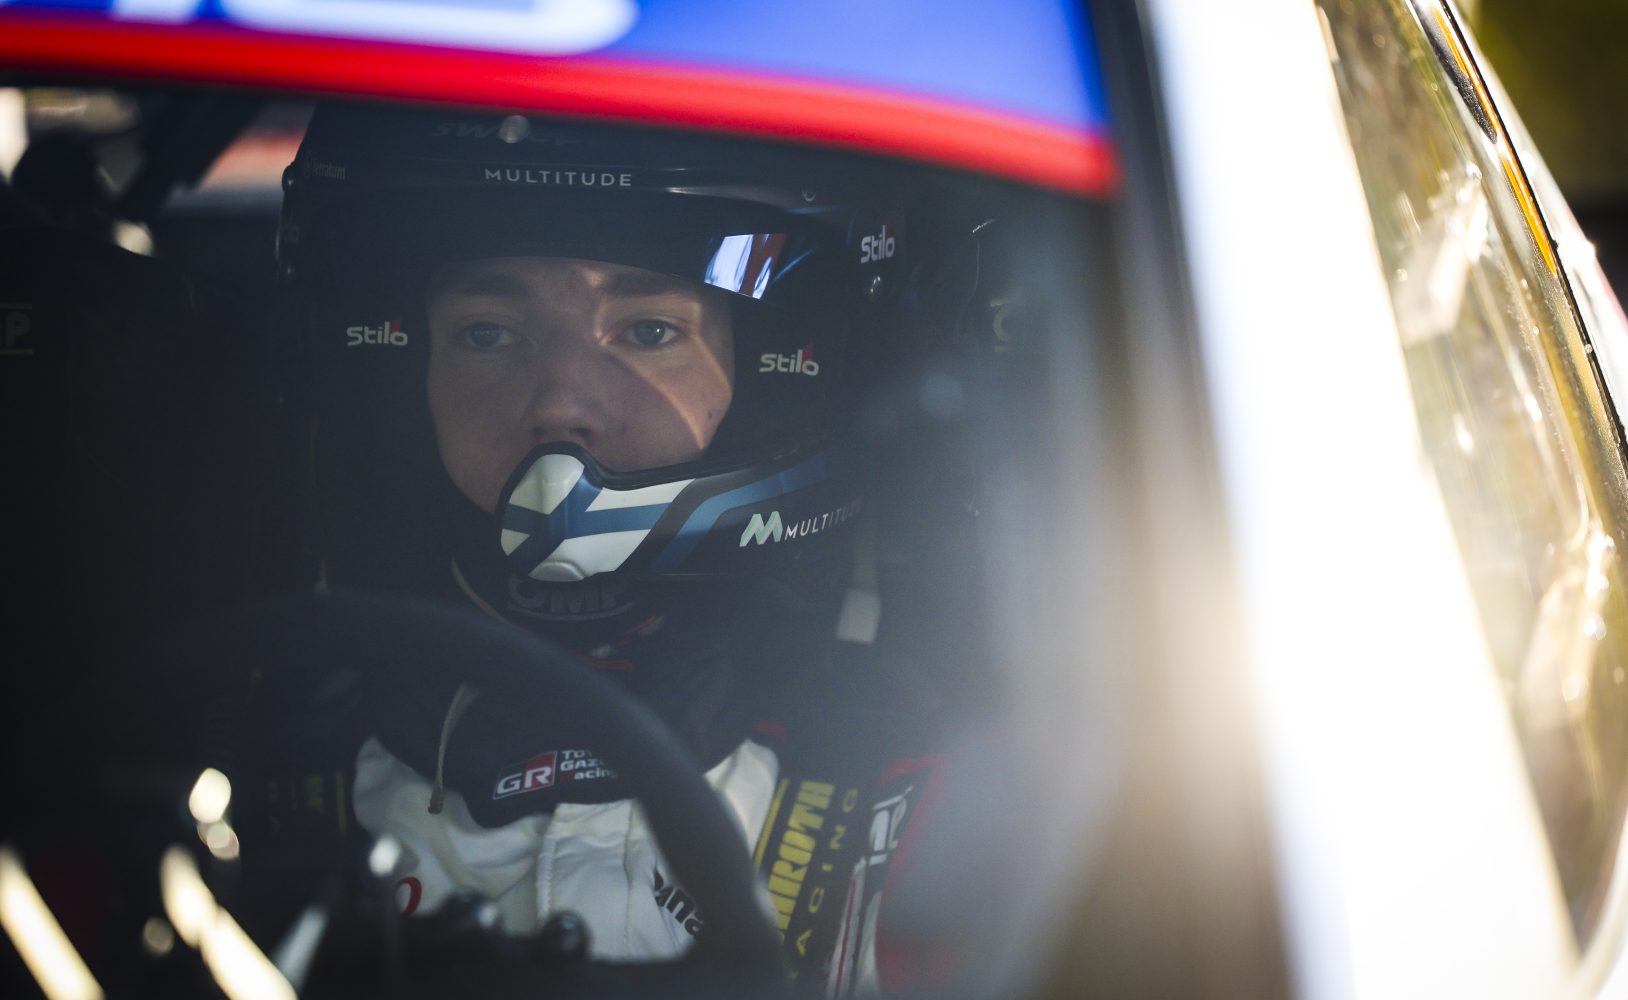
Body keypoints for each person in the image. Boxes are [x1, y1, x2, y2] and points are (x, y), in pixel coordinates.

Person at [242, 102, 955, 992]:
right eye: (487, 334)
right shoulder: (241, 747)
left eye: (649, 331)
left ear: (776, 373)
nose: (559, 403)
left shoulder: (936, 788)